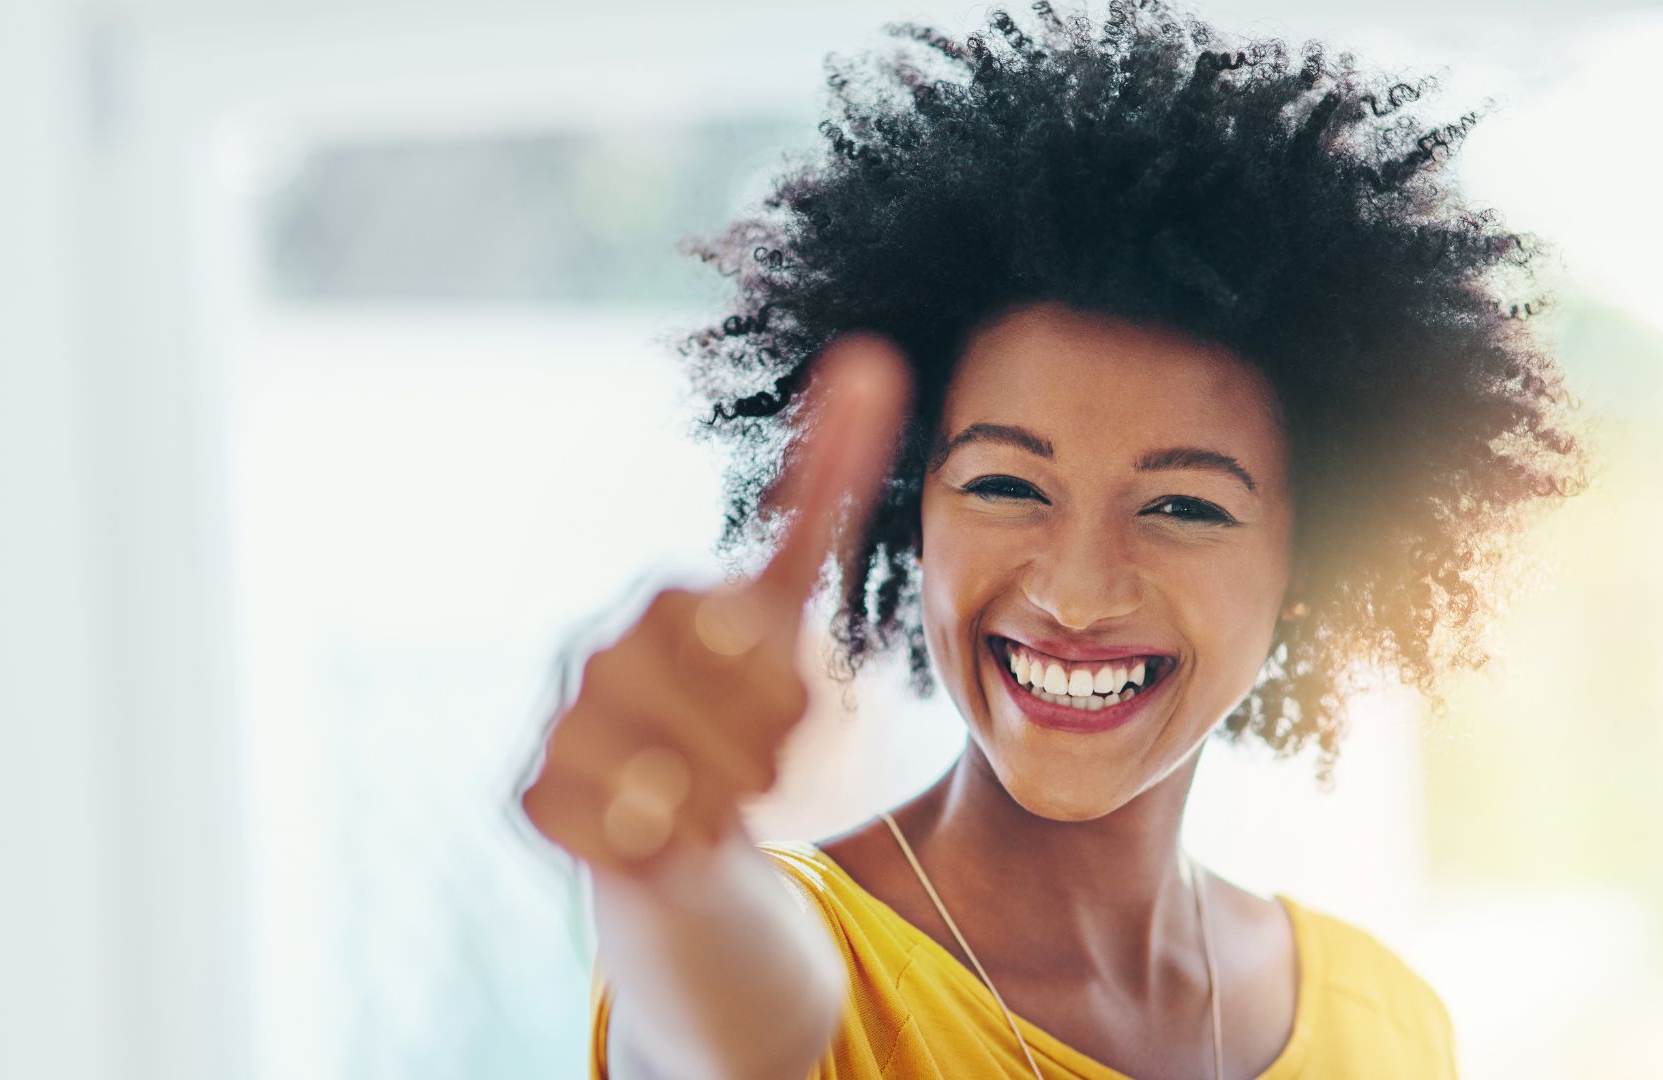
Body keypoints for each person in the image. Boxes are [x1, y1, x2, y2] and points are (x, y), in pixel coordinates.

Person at [517, 2, 1589, 1076]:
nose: (1078, 595)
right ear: (912, 512)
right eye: (1006, 486)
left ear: (1310, 561)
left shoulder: (1389, 1025)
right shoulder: (803, 952)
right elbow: (742, 1022)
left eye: (1184, 506)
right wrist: (670, 868)